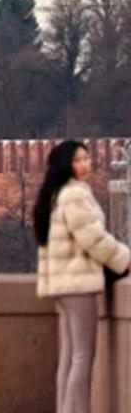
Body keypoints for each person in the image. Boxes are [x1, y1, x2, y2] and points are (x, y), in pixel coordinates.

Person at [35, 139, 130, 413]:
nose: (84, 165)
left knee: (68, 357)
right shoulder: (75, 194)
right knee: (82, 357)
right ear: (65, 164)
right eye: (77, 160)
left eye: (86, 158)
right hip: (77, 284)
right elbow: (93, 238)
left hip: (62, 284)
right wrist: (125, 258)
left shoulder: (54, 194)